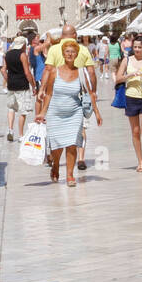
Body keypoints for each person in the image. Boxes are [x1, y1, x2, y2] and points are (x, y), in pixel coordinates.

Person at [35, 39, 98, 186]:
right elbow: (49, 94)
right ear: (63, 54)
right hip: (55, 113)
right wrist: (42, 112)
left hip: (74, 113)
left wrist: (97, 112)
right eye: (67, 51)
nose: (70, 54)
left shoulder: (81, 72)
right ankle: (56, 165)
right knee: (57, 147)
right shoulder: (54, 72)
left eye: (73, 52)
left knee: (72, 145)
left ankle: (70, 175)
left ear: (76, 54)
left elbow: (90, 93)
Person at [115, 36, 142, 173]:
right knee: (135, 131)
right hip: (131, 97)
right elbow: (118, 78)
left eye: (140, 47)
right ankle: (140, 162)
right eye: (135, 47)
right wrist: (129, 76)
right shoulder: (127, 60)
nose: (137, 50)